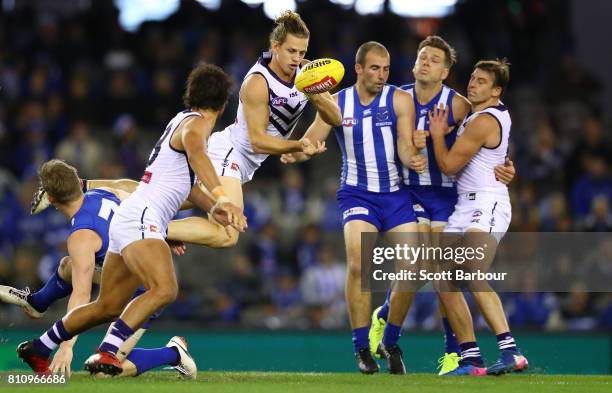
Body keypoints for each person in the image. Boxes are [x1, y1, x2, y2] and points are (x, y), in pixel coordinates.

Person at [16, 62, 245, 377]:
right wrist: (221, 195)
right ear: (221, 106)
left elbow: (186, 183)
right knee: (164, 289)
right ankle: (109, 351)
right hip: (142, 218)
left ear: (190, 95)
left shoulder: (180, 119)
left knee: (107, 306)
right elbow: (198, 155)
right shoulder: (197, 126)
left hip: (131, 218)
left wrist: (211, 205)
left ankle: (39, 346)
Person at [0, 159, 243, 377]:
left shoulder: (82, 237)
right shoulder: (105, 193)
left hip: (143, 292)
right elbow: (132, 188)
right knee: (69, 265)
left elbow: (82, 295)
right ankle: (38, 302)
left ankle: (173, 353)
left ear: (51, 199)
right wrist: (162, 231)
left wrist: (66, 346)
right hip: (132, 269)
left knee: (104, 372)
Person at [367, 36, 516, 375]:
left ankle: (451, 349)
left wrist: (506, 165)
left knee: (440, 274)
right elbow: (378, 141)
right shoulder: (397, 98)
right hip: (412, 193)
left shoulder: (461, 104)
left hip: (450, 197)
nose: (425, 62)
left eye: (434, 59)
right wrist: (407, 144)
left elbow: (488, 143)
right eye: (422, 56)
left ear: (445, 72)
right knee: (416, 265)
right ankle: (394, 337)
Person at [281, 41, 425, 374]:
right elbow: (312, 139)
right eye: (375, 68)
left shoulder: (400, 100)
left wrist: (412, 158)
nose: (382, 75)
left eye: (386, 69)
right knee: (360, 263)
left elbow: (404, 145)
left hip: (395, 194)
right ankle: (361, 347)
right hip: (357, 194)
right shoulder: (337, 102)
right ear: (358, 69)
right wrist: (296, 152)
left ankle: (389, 340)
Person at [427, 59, 528, 375]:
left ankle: (510, 350)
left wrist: (437, 134)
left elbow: (448, 166)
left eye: (482, 81)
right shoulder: (477, 116)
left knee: (470, 270)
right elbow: (495, 157)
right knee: (443, 278)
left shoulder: (484, 120)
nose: (473, 84)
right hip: (464, 207)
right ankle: (471, 359)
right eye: (472, 78)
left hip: (487, 203)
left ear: (496, 90)